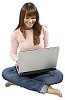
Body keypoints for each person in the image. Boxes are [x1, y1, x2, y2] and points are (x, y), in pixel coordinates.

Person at [2, 2, 63, 97]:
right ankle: (46, 89)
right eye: (27, 18)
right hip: (24, 68)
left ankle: (19, 82)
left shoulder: (43, 29)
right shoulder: (16, 33)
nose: (30, 21)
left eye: (33, 18)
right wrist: (18, 60)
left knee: (58, 76)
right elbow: (12, 53)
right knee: (6, 73)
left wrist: (47, 59)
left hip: (42, 68)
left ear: (37, 17)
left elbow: (46, 48)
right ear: (22, 17)